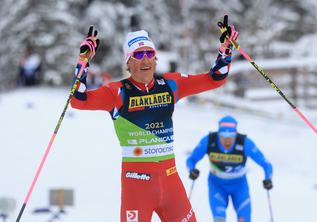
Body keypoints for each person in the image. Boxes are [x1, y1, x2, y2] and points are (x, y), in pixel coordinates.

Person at [70, 14, 239, 222]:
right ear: (128, 63)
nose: (146, 59)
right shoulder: (117, 92)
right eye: (138, 55)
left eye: (150, 53)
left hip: (170, 182)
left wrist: (226, 50)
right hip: (137, 186)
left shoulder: (170, 85)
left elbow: (214, 79)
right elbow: (78, 100)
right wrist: (83, 62)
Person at [186, 115, 273, 222]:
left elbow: (266, 164)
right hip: (217, 185)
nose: (227, 139)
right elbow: (191, 159)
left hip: (239, 186)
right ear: (218, 134)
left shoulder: (245, 143)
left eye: (231, 135)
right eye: (223, 135)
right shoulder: (209, 140)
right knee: (219, 219)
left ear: (235, 134)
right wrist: (192, 170)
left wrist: (268, 179)